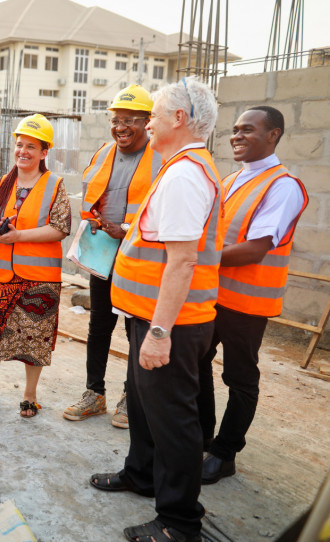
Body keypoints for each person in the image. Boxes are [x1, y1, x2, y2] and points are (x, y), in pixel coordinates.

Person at [90, 77, 223, 542]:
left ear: (179, 119)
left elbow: (182, 261)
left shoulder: (185, 175)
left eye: (156, 115)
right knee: (146, 408)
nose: (148, 123)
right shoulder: (178, 167)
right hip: (148, 316)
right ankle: (141, 474)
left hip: (170, 324)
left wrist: (160, 333)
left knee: (173, 420)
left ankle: (179, 522)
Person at [197, 106, 307, 484]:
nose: (237, 136)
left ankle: (225, 454)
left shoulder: (283, 186)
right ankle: (202, 436)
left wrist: (196, 257)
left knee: (239, 377)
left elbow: (255, 249)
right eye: (235, 129)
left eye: (248, 130)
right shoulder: (231, 180)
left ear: (273, 135)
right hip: (212, 294)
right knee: (197, 361)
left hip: (247, 303)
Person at [63, 84, 161, 428]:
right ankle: (94, 394)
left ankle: (131, 398)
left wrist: (128, 228)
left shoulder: (161, 156)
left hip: (141, 257)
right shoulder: (104, 152)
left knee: (135, 330)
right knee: (99, 326)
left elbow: (164, 211)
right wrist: (95, 220)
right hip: (104, 252)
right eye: (116, 120)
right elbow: (92, 194)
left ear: (148, 122)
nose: (121, 127)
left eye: (130, 120)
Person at [0, 114, 71, 417]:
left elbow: (61, 227)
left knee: (34, 337)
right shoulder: (3, 184)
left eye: (31, 147)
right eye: (20, 145)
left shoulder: (54, 185)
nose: (23, 151)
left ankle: (29, 395)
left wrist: (19, 236)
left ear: (44, 152)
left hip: (39, 277)